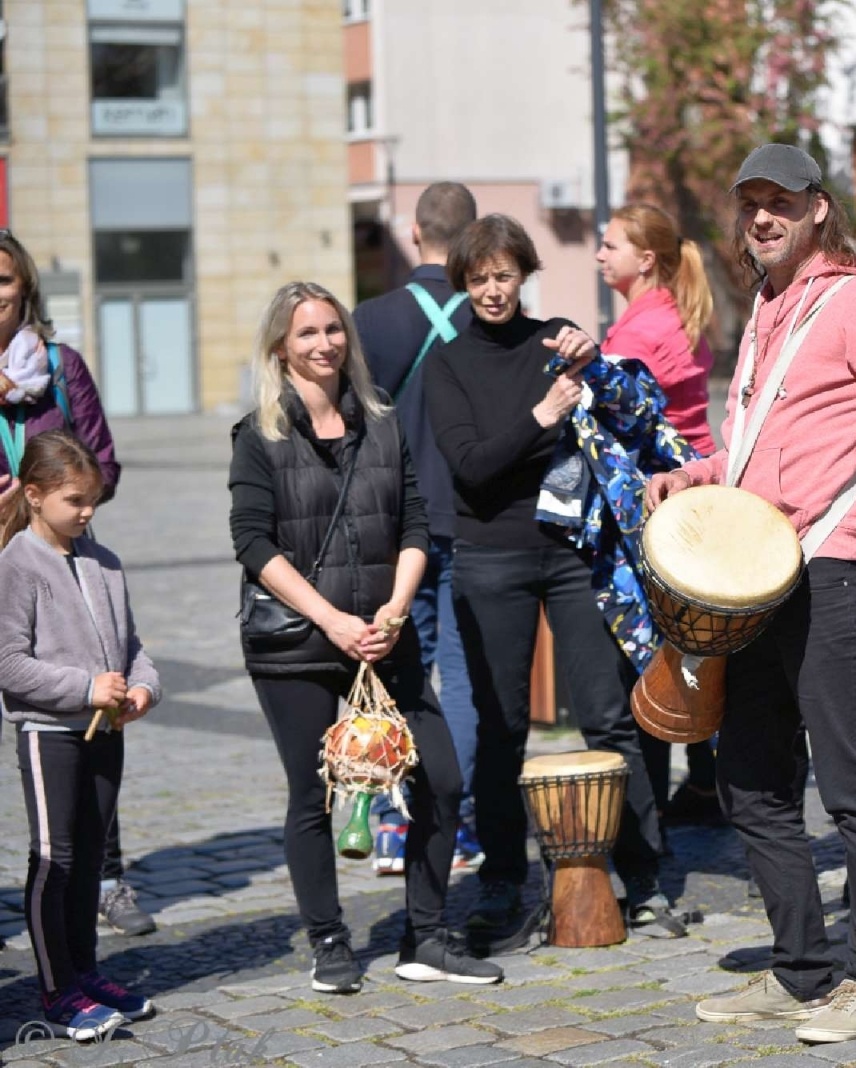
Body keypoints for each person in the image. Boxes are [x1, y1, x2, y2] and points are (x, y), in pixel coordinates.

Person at [648, 143, 856, 1043]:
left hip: (837, 571)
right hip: (759, 578)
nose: (762, 218)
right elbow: (764, 446)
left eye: (780, 201)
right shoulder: (769, 306)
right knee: (749, 781)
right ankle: (800, 968)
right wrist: (698, 473)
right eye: (751, 205)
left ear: (820, 207)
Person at [229, 281, 500, 992]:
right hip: (297, 641)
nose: (324, 344)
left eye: (332, 329)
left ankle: (425, 935)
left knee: (441, 776)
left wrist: (395, 611)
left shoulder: (380, 423)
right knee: (313, 795)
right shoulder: (259, 435)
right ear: (280, 348)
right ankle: (329, 942)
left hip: (384, 636)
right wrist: (333, 618)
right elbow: (253, 543)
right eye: (306, 333)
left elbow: (414, 522)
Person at [425, 214, 673, 939]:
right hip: (490, 558)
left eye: (504, 275)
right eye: (478, 279)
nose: (493, 290)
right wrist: (541, 416)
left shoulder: (555, 338)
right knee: (502, 727)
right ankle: (504, 876)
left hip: (570, 553)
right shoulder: (448, 363)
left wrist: (593, 365)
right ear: (462, 283)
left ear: (524, 274)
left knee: (607, 714)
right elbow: (471, 468)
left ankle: (645, 872)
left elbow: (632, 416)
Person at [0, 231, 155, 939]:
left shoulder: (60, 367)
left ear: (24, 286)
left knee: (89, 718)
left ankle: (107, 878)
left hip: (56, 564)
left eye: (3, 280)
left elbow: (106, 467)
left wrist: (57, 495)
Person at [0, 430, 157, 1042]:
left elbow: (132, 647)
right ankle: (56, 988)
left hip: (105, 734)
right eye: (75, 500)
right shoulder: (16, 563)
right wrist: (85, 687)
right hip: (49, 733)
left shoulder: (104, 561)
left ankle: (86, 972)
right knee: (54, 860)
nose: (87, 511)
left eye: (93, 499)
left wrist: (142, 687)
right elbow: (9, 664)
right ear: (34, 495)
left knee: (91, 859)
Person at [353, 182, 482, 877]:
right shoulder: (491, 319)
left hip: (391, 524)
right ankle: (454, 827)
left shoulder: (371, 321)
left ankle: (389, 827)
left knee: (396, 673)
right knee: (459, 678)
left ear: (413, 232)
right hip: (468, 518)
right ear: (472, 238)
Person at [595, 202, 721, 826]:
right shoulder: (670, 312)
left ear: (646, 259)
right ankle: (705, 780)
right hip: (688, 492)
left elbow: (619, 421)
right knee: (690, 637)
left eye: (610, 245)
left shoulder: (642, 332)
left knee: (662, 645)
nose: (599, 254)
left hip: (660, 497)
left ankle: (689, 782)